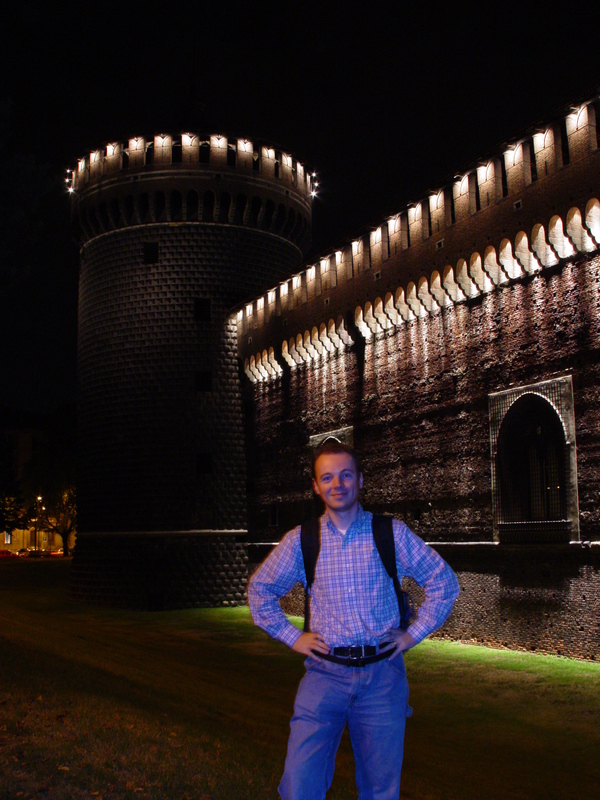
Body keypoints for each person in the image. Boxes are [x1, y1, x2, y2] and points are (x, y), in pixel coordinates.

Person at [248, 439, 460, 800]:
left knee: (380, 790)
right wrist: (292, 637)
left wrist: (412, 635)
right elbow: (260, 590)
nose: (337, 484)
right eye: (327, 477)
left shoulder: (389, 533)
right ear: (316, 486)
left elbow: (444, 582)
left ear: (361, 480)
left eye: (346, 475)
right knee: (300, 786)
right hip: (323, 674)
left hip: (382, 677)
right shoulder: (302, 541)